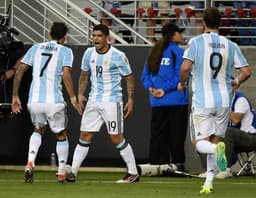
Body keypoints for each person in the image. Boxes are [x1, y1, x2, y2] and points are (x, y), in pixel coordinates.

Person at [178, 7, 251, 194]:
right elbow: (246, 72)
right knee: (214, 140)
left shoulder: (196, 42)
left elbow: (186, 67)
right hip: (224, 101)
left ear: (203, 22)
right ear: (220, 23)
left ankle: (216, 149)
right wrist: (236, 81)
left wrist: (181, 82)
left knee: (200, 143)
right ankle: (208, 183)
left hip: (203, 100)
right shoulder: (230, 44)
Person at [65, 24, 139, 183]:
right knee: (85, 134)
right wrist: (80, 94)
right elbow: (84, 75)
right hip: (93, 100)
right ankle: (73, 172)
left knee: (116, 138)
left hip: (112, 101)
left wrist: (131, 99)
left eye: (99, 36)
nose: (96, 39)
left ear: (107, 38)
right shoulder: (88, 53)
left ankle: (133, 172)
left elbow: (129, 77)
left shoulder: (118, 55)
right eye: (94, 36)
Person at [11, 22, 80, 183]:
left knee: (38, 129)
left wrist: (15, 95)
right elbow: (66, 74)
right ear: (64, 37)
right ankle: (62, 171)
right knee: (61, 134)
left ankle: (30, 163)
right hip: (54, 101)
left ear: (50, 33)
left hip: (34, 101)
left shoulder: (36, 48)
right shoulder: (66, 51)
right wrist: (73, 97)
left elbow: (20, 71)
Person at [139, 23, 189, 176]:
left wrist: (152, 89)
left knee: (158, 135)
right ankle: (177, 166)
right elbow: (180, 76)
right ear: (173, 35)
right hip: (176, 101)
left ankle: (156, 166)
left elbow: (144, 77)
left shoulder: (154, 52)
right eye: (179, 33)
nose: (182, 35)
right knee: (177, 135)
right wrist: (164, 90)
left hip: (157, 102)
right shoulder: (178, 52)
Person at [215, 91, 256, 178]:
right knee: (209, 134)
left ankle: (225, 169)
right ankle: (211, 170)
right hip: (237, 139)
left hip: (251, 137)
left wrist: (223, 108)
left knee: (227, 132)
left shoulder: (240, 99)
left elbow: (235, 119)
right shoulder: (223, 100)